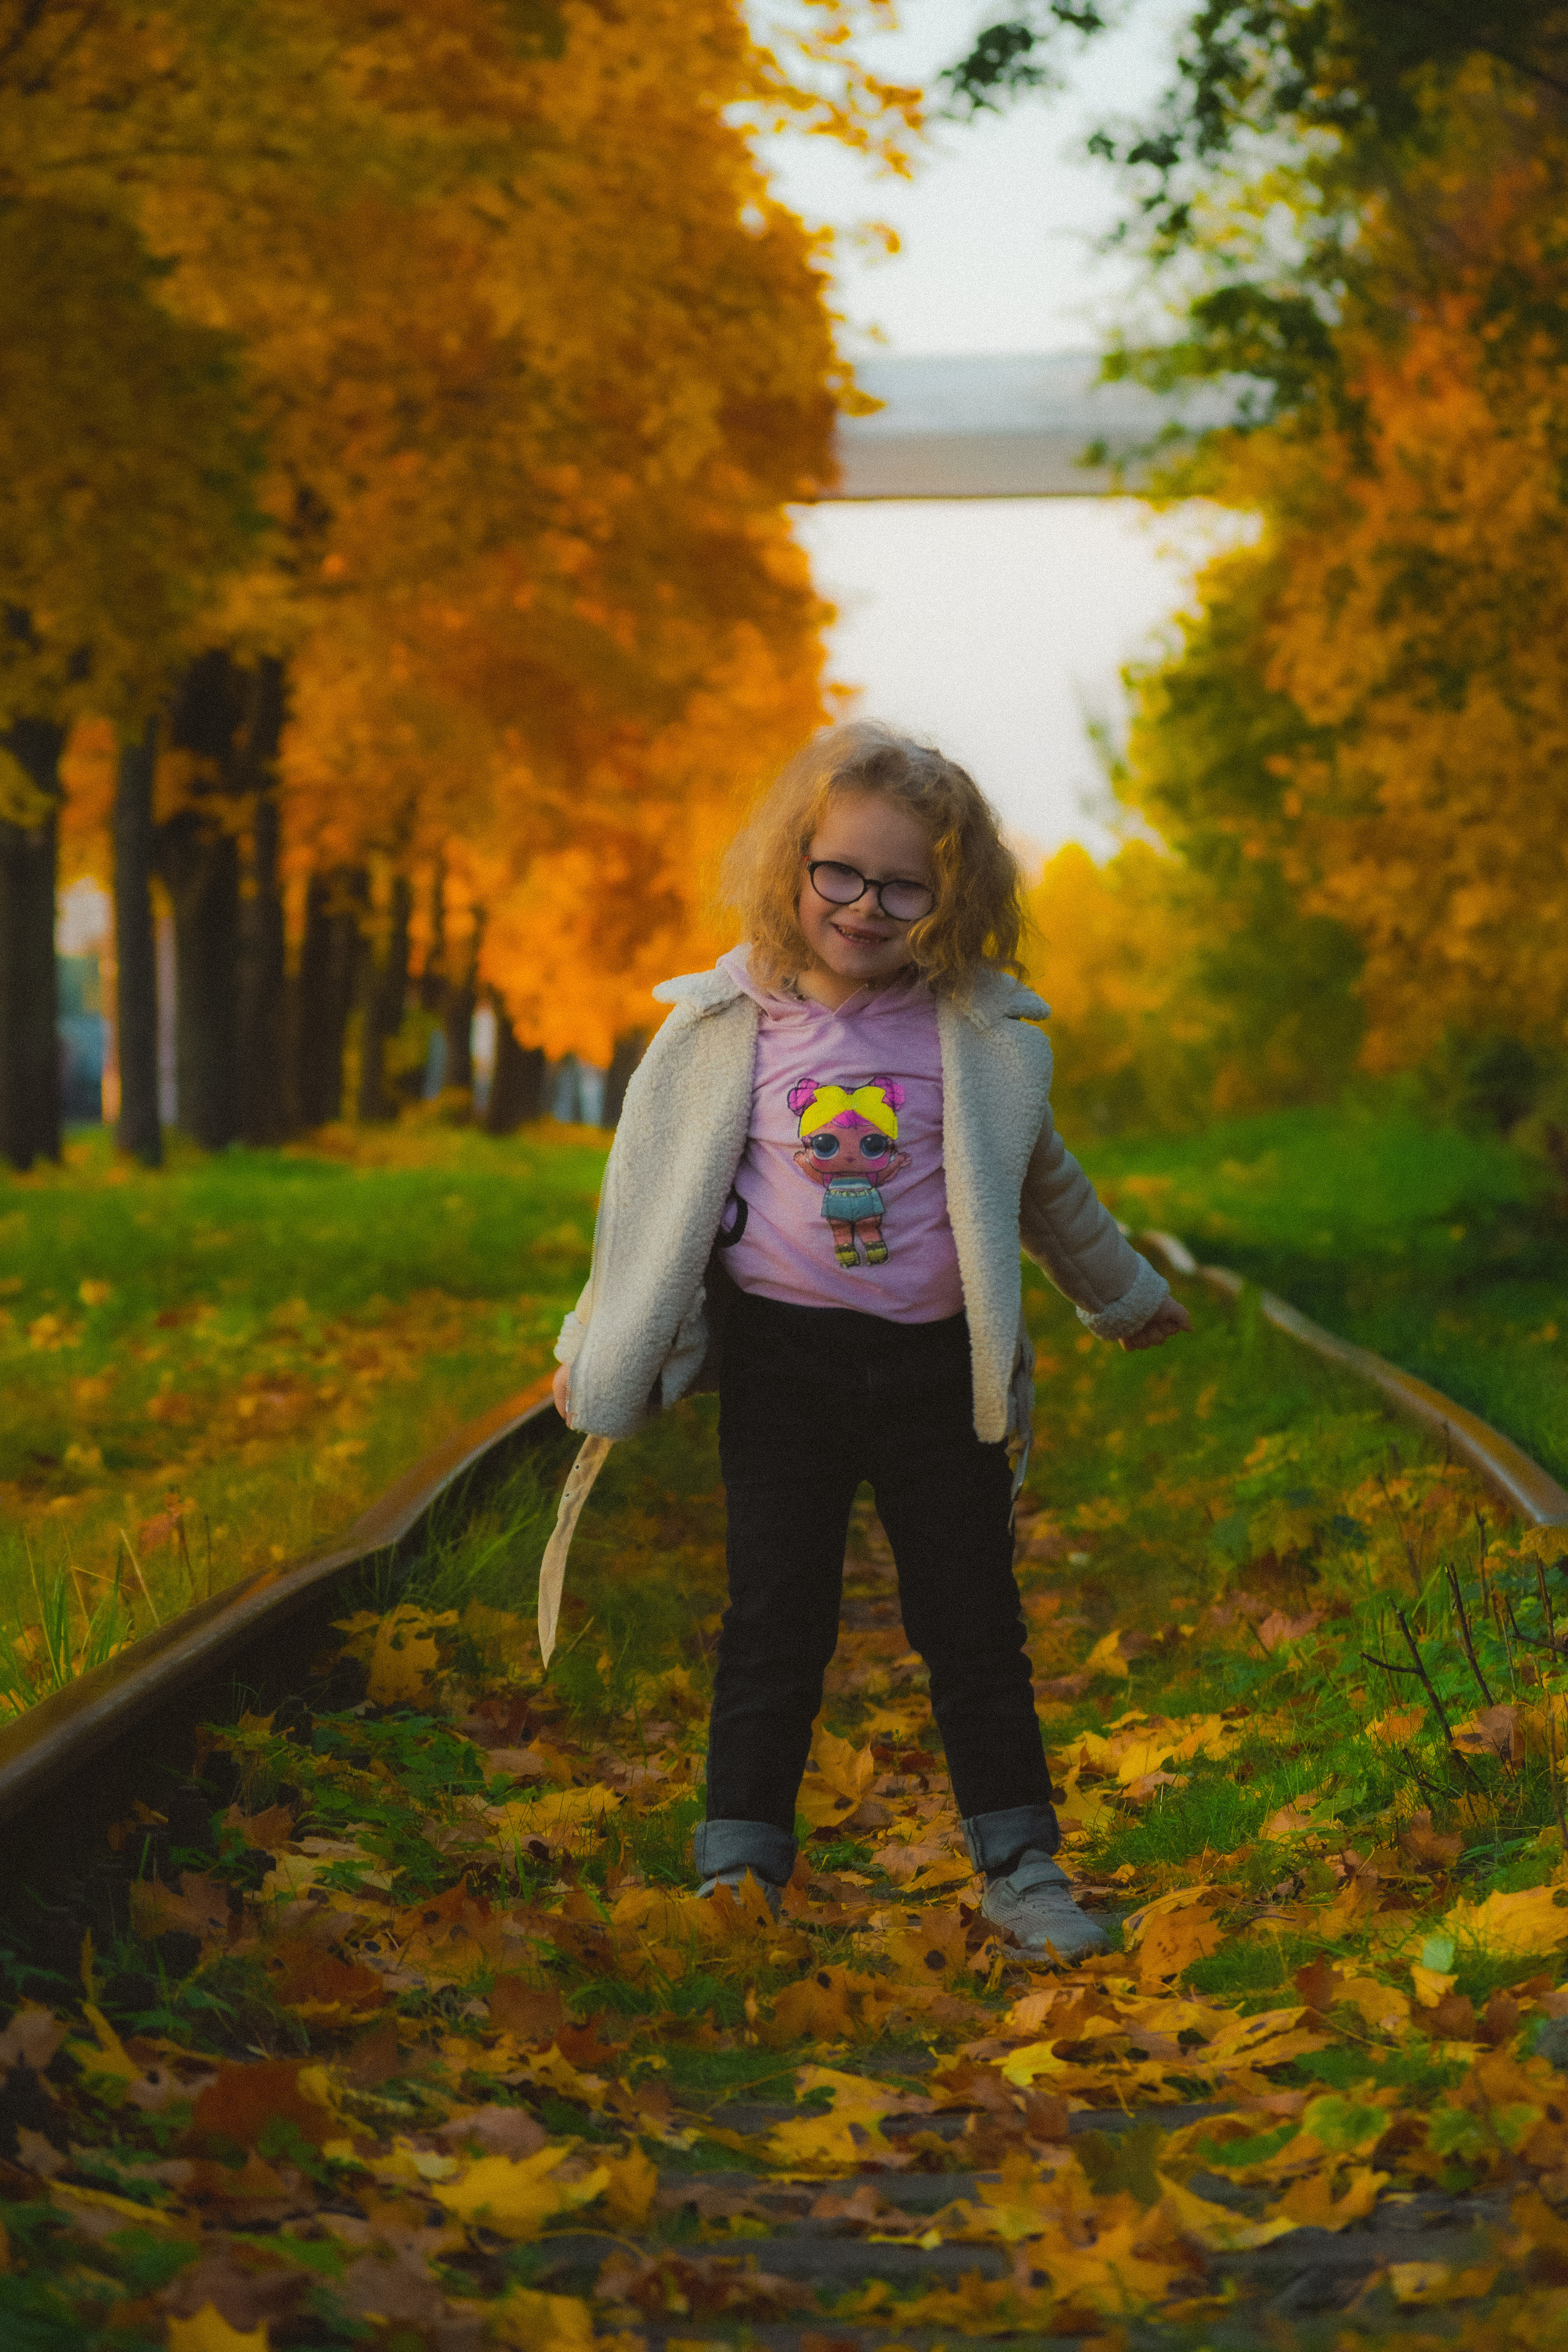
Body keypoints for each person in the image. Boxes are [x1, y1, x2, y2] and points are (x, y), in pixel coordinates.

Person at [551, 721, 1191, 1962]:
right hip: (781, 1371)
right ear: (792, 865)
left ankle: (1020, 1865)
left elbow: (1045, 1188)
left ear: (949, 899)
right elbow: (638, 1204)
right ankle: (739, 1865)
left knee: (969, 1618)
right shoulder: (723, 1024)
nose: (863, 905)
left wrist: (1119, 1296)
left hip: (934, 1377)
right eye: (837, 873)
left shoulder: (973, 1037)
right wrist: (592, 1341)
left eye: (902, 886)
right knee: (772, 1616)